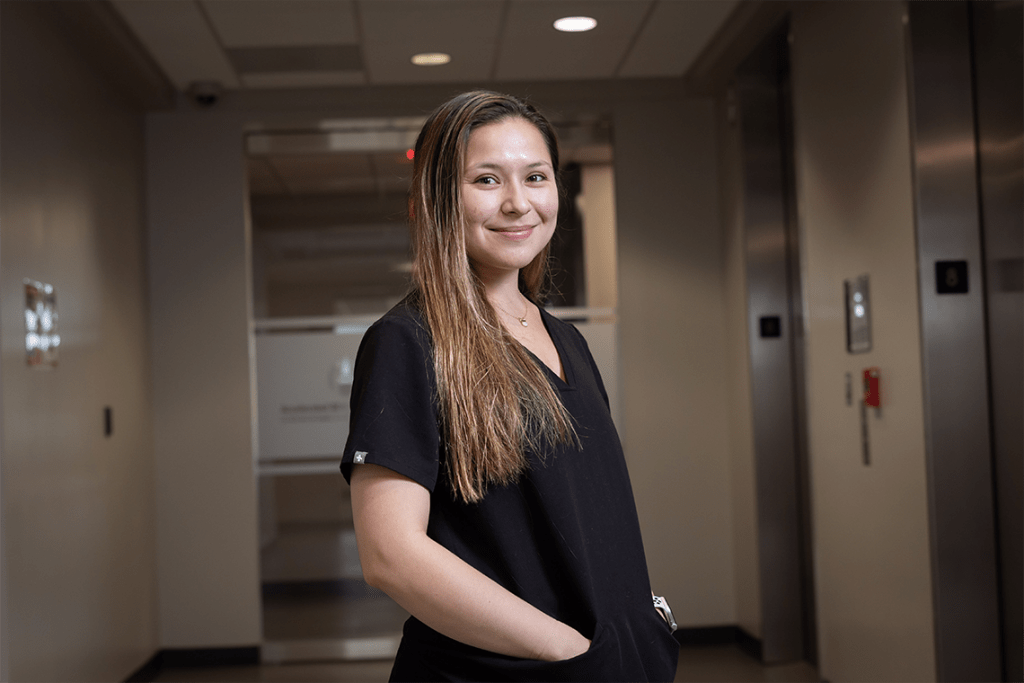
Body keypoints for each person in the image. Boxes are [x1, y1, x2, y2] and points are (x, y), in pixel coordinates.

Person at [341, 90, 679, 681]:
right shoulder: (409, 342)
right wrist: (566, 651)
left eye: (537, 176)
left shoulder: (564, 338)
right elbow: (390, 556)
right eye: (488, 180)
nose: (519, 203)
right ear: (440, 197)